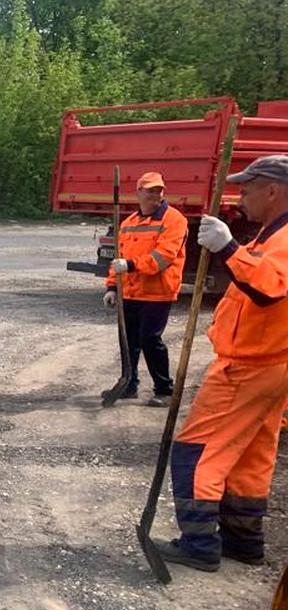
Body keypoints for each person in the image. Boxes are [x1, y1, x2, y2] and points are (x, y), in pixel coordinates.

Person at [155, 155, 288, 571]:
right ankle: (243, 541)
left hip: (250, 367)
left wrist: (228, 247)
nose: (241, 195)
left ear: (273, 190)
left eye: (248, 187)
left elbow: (269, 290)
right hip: (268, 366)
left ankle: (198, 544)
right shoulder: (271, 234)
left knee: (195, 451)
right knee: (250, 456)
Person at [101, 171, 188, 406]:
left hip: (158, 292)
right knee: (128, 339)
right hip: (130, 291)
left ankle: (164, 389)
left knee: (150, 339)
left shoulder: (174, 220)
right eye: (149, 190)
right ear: (138, 192)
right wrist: (112, 286)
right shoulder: (129, 223)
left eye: (158, 190)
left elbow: (163, 257)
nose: (154, 194)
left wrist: (129, 265)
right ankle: (129, 383)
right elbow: (118, 259)